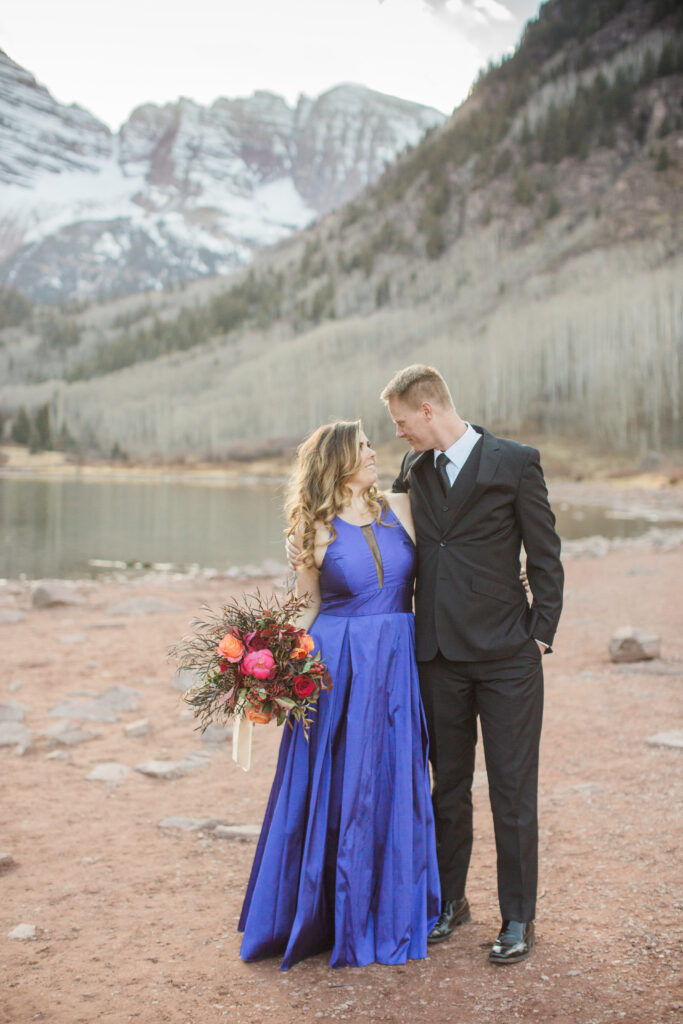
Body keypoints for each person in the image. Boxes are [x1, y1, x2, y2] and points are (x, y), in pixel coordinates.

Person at [238, 420, 441, 970]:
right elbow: (305, 606)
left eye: (374, 445)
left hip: (396, 658)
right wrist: (268, 662)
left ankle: (385, 908)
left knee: (391, 778)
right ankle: (323, 914)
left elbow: (441, 567)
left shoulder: (401, 507)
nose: (375, 453)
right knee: (336, 783)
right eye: (364, 447)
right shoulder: (314, 528)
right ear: (337, 460)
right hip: (337, 666)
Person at [381, 364, 564, 964]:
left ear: (428, 410)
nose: (400, 434)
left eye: (402, 422)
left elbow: (545, 554)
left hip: (509, 658)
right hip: (437, 658)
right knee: (446, 789)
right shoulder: (415, 470)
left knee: (513, 791)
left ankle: (518, 918)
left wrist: (540, 634)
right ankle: (450, 902)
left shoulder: (514, 462)